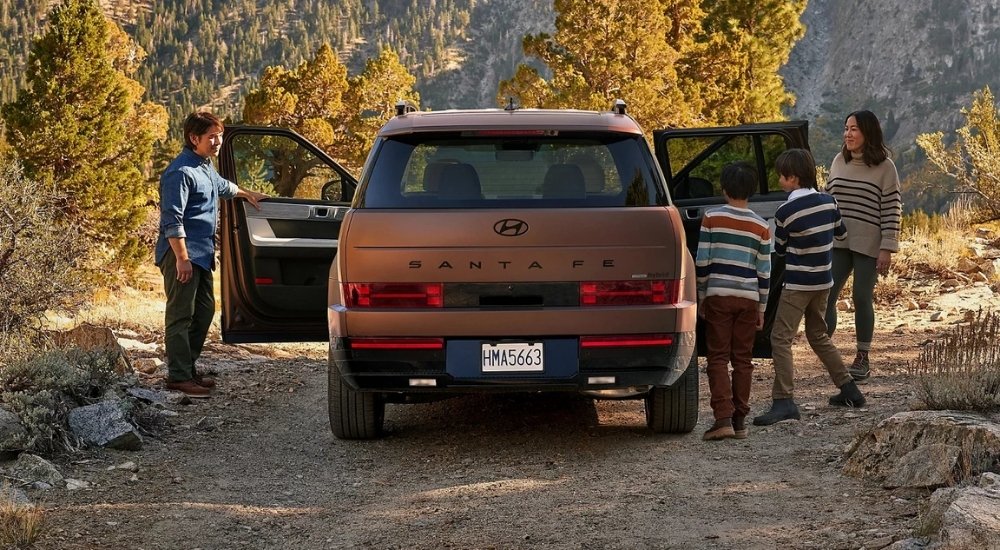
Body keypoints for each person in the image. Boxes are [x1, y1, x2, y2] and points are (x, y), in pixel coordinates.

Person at [155, 111, 268, 398]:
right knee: (180, 316)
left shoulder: (204, 166)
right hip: (182, 254)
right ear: (194, 138)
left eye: (219, 136)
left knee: (204, 311)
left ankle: (187, 367)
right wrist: (181, 258)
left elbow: (222, 187)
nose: (218, 142)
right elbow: (172, 220)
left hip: (202, 254)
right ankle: (179, 376)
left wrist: (247, 194)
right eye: (212, 137)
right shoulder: (180, 173)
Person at [754, 149, 865, 427]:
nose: (779, 180)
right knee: (818, 334)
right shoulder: (829, 202)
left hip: (798, 284)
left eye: (781, 175)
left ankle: (784, 400)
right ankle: (849, 388)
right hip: (823, 282)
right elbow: (841, 234)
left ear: (792, 177)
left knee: (780, 338)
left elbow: (778, 250)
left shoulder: (785, 211)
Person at [695, 161, 772, 440]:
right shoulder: (762, 225)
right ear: (751, 191)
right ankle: (740, 421)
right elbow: (764, 272)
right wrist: (762, 307)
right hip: (749, 299)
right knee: (743, 359)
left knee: (717, 357)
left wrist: (702, 295)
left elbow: (702, 260)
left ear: (724, 189)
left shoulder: (711, 217)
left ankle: (722, 418)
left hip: (719, 296)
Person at [825, 110, 902, 383]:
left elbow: (892, 208)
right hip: (838, 241)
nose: (848, 134)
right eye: (846, 128)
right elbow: (828, 201)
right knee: (826, 296)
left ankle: (862, 356)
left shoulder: (885, 167)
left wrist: (887, 247)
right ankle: (828, 353)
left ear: (868, 132)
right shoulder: (838, 161)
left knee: (861, 297)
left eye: (854, 129)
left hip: (869, 244)